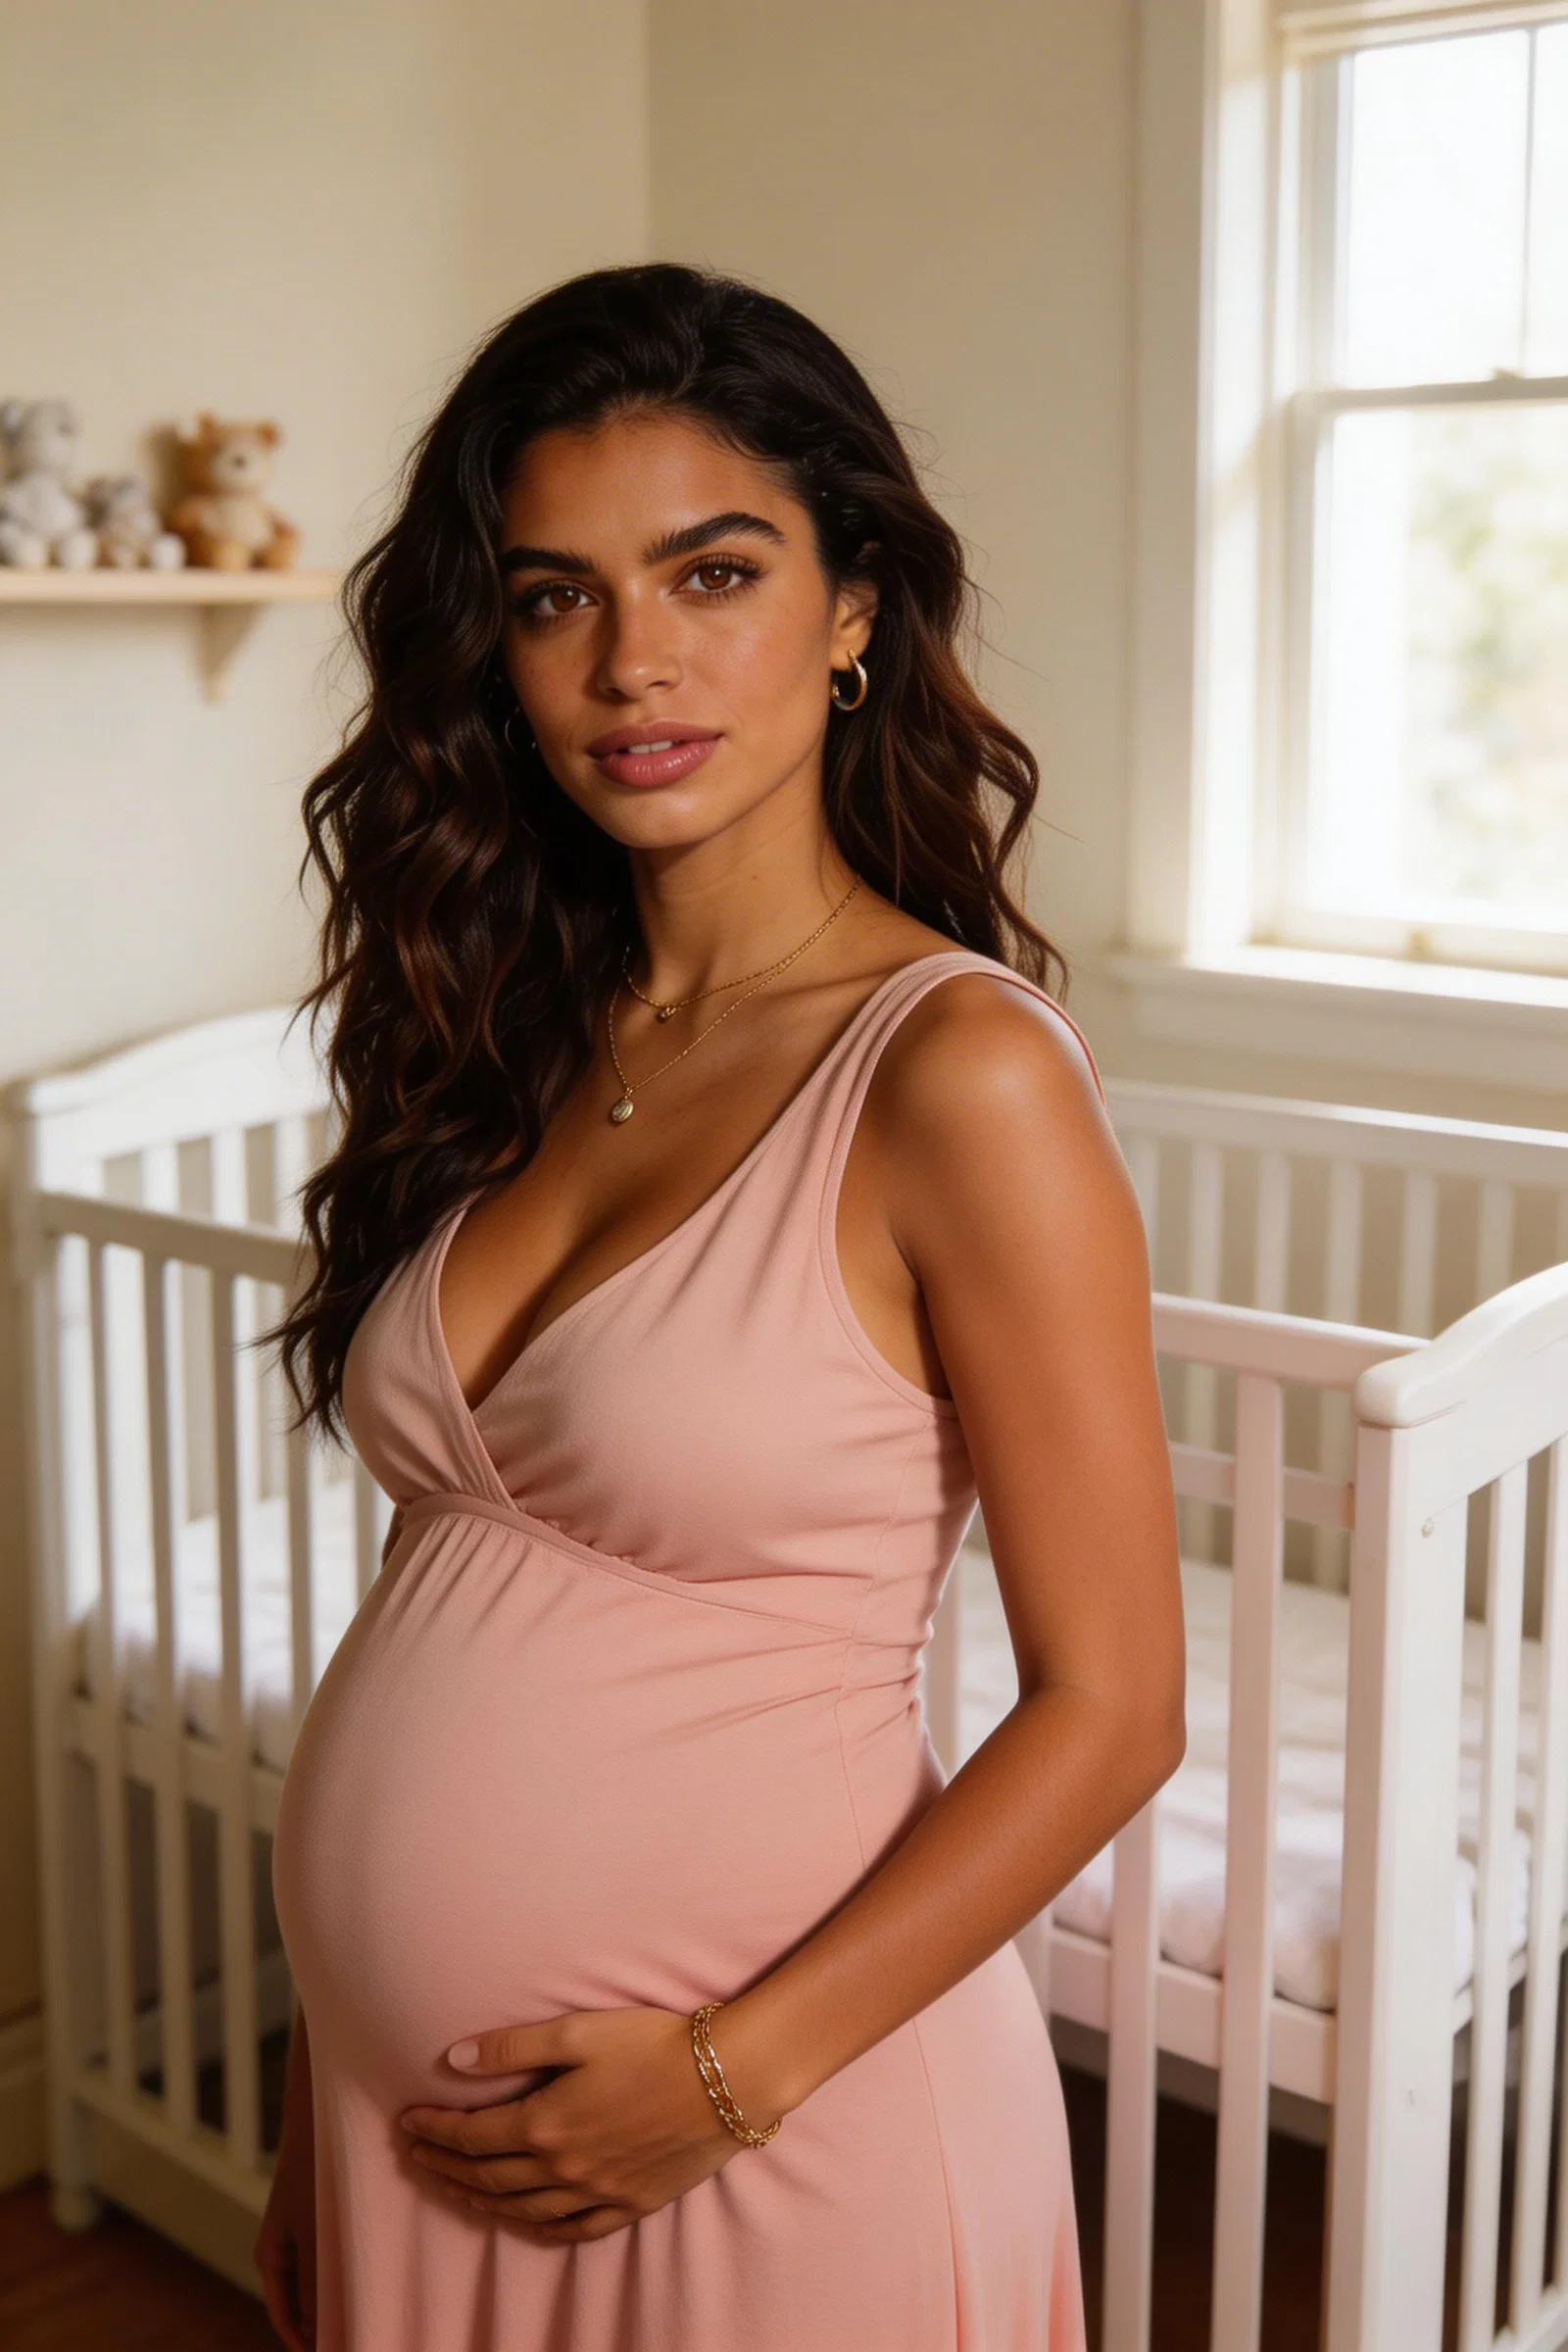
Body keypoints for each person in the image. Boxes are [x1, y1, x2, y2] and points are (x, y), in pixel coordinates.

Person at [259, 261, 1185, 2352]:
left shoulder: (957, 1075)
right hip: (442, 2143)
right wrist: (334, 2097)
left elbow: (1112, 1705)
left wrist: (721, 2078)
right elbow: (453, 1618)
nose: (630, 662)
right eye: (553, 594)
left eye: (712, 571)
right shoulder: (507, 1028)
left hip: (776, 2131)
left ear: (853, 607)